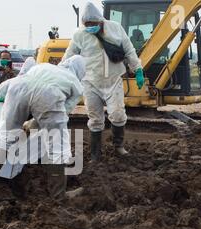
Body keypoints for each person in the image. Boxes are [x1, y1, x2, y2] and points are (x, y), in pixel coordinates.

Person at [0, 55, 86, 201]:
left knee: (4, 137)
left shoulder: (43, 66)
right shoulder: (76, 84)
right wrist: (36, 123)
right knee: (57, 146)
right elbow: (64, 109)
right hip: (49, 94)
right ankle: (59, 197)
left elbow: (6, 88)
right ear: (80, 72)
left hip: (19, 87)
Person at [62, 1, 144, 161]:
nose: (90, 26)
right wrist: (59, 73)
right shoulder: (80, 34)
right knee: (95, 118)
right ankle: (95, 153)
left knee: (118, 114)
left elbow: (129, 49)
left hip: (113, 80)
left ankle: (118, 146)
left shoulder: (115, 28)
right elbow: (68, 56)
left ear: (100, 20)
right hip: (90, 82)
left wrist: (138, 69)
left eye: (93, 23)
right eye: (87, 24)